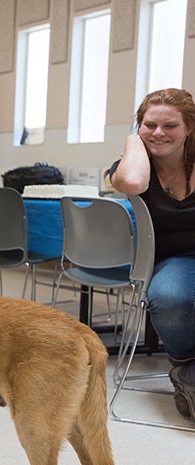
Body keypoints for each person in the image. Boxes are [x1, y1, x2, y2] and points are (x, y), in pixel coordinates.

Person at [108, 87, 195, 419]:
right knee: (170, 297)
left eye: (170, 126)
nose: (158, 133)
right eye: (149, 125)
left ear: (189, 128)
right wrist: (134, 142)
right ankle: (185, 366)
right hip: (174, 260)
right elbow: (131, 182)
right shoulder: (134, 163)